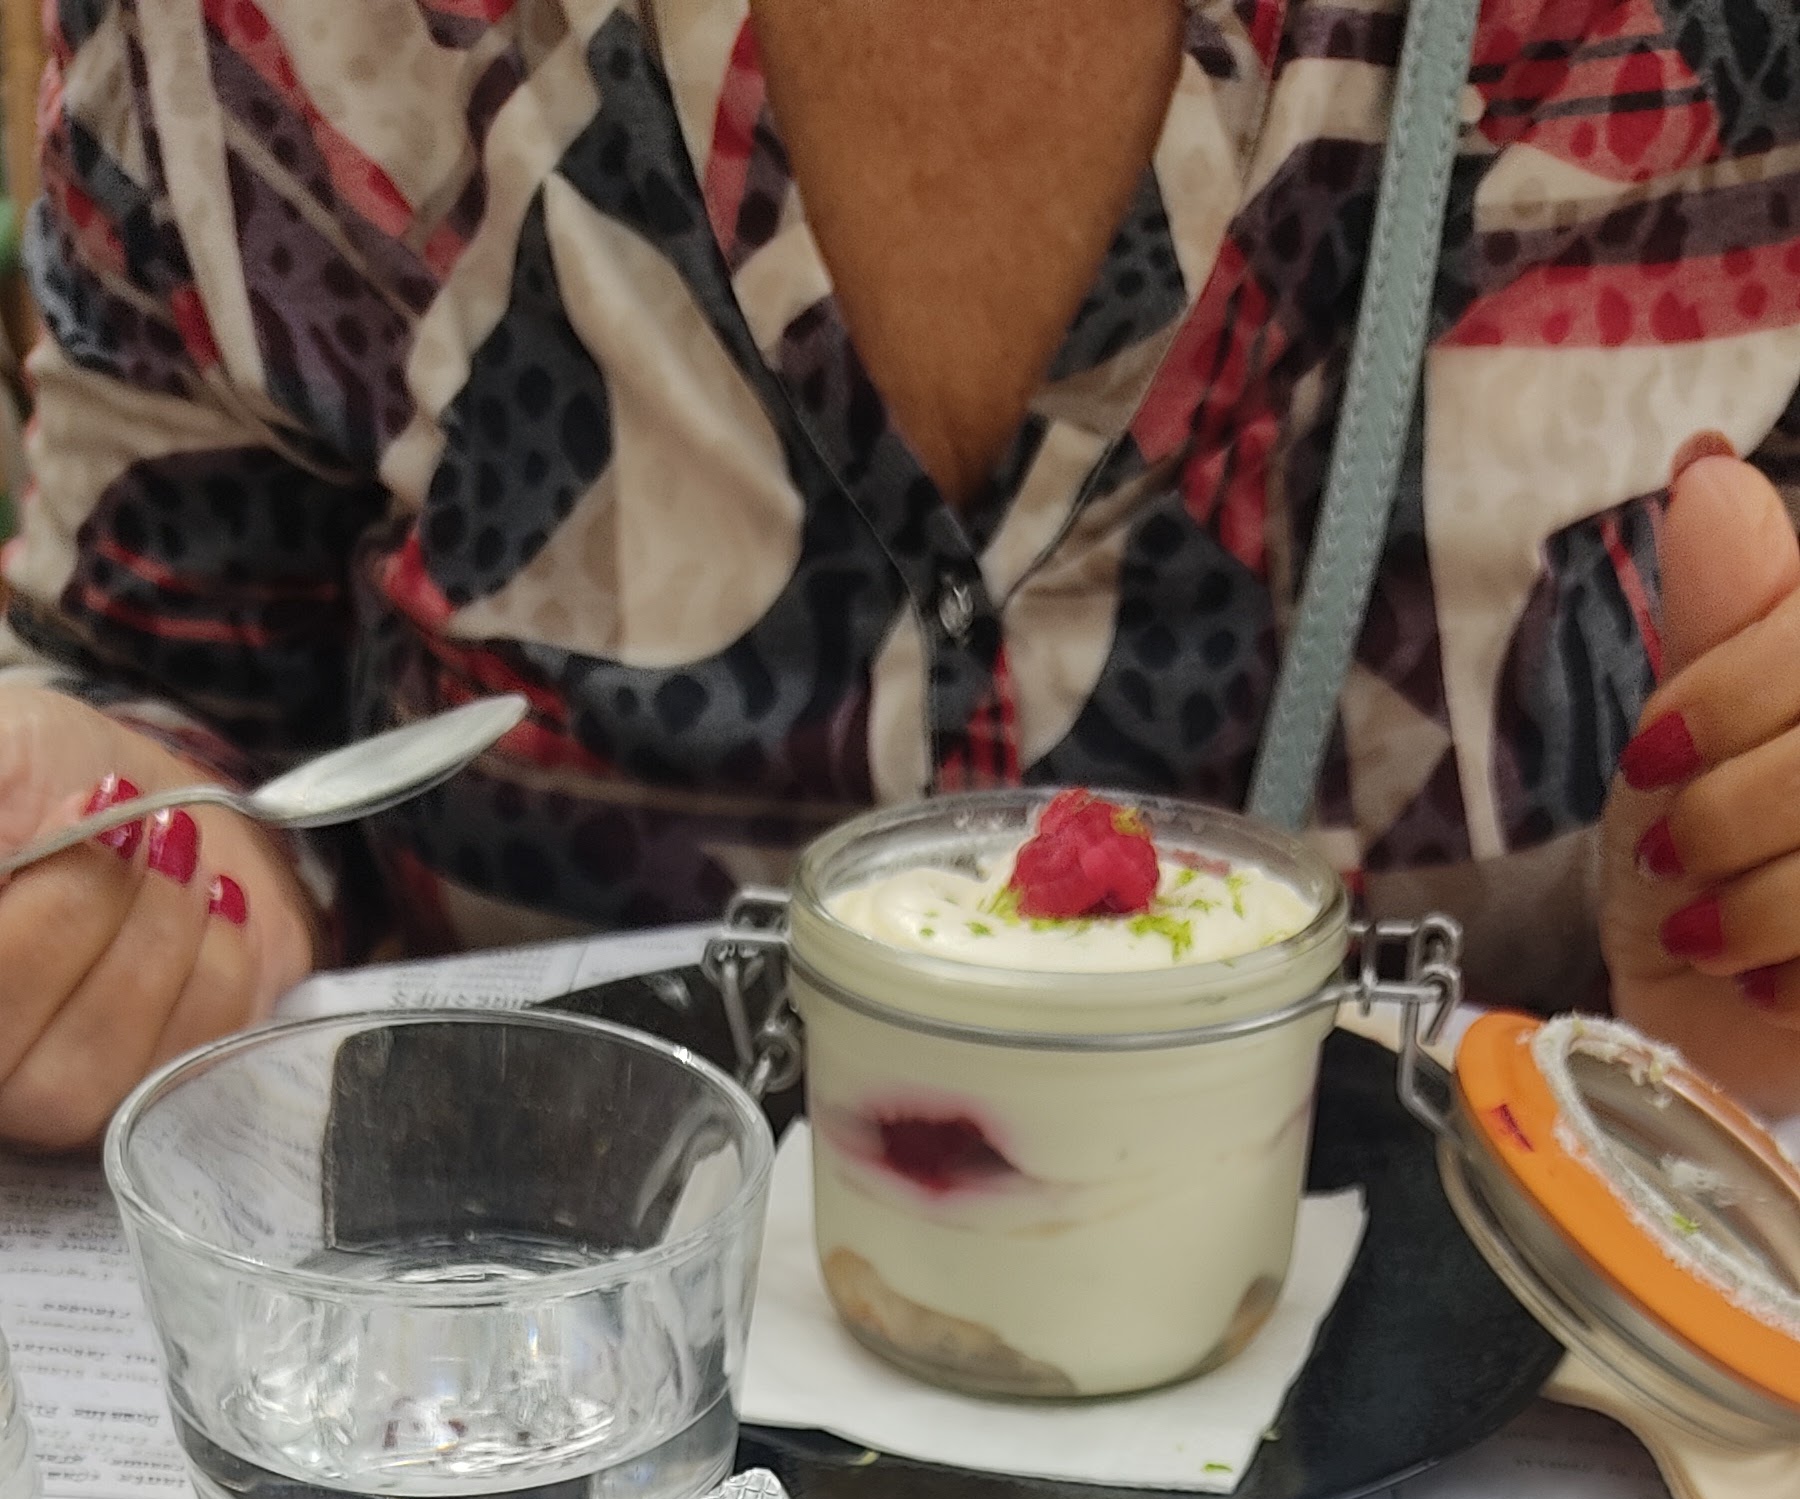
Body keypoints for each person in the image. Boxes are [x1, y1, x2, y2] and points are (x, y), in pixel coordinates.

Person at [0, 0, 1797, 1149]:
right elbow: (161, 703)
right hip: (540, 1447)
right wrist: (128, 878)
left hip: (1518, 1439)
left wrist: (1736, 911)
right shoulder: (257, 41)